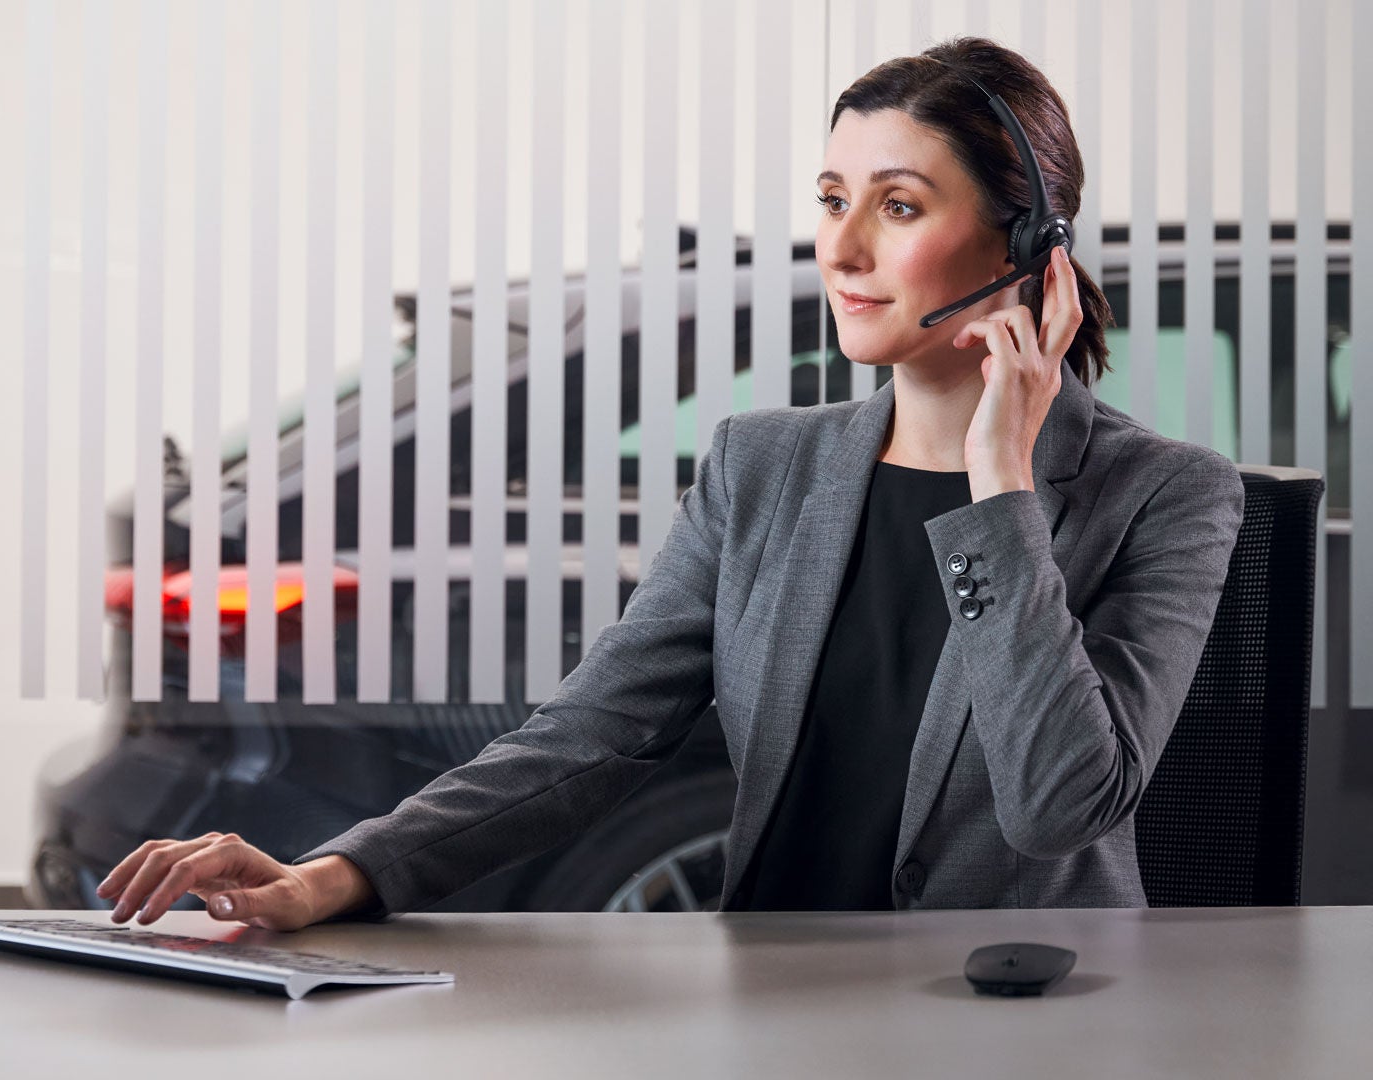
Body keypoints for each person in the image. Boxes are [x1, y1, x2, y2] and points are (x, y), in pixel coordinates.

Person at [94, 37, 1245, 931]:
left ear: (1028, 248)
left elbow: (1055, 809)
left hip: (1014, 1028)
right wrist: (337, 873)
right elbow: (596, 735)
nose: (841, 252)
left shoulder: (1165, 497)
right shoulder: (762, 470)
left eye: (898, 206)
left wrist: (1001, 485)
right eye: (832, 198)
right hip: (768, 1011)